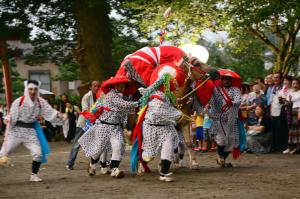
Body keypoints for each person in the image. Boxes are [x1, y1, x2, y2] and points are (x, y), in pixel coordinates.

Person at [0, 80, 62, 182]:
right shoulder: (18, 102)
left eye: (35, 89)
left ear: (38, 90)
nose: (33, 91)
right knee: (2, 154)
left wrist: (60, 115)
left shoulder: (41, 102)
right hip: (16, 131)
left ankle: (34, 175)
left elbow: (50, 112)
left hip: (30, 132)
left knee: (38, 153)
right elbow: (12, 117)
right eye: (30, 89)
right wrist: (8, 120)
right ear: (26, 89)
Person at [133, 63, 185, 182]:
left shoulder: (167, 95)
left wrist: (178, 101)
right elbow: (160, 111)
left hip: (166, 127)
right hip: (152, 128)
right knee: (149, 154)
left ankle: (163, 174)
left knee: (168, 147)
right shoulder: (156, 96)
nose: (175, 84)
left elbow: (169, 104)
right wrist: (179, 115)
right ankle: (141, 162)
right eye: (172, 82)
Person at [78, 76, 137, 178]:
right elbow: (124, 105)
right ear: (116, 86)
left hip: (116, 128)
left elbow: (126, 112)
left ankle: (114, 169)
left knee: (118, 146)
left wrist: (125, 125)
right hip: (103, 126)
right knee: (98, 149)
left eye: (124, 85)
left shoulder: (123, 97)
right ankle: (92, 164)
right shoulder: (110, 95)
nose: (123, 87)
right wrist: (139, 103)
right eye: (121, 85)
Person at [209, 73, 242, 167]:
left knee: (231, 141)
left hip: (231, 119)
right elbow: (211, 100)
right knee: (221, 139)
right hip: (219, 119)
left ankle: (222, 158)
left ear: (231, 81)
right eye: (225, 79)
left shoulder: (236, 90)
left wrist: (231, 102)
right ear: (221, 80)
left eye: (229, 79)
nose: (227, 81)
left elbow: (238, 100)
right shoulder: (216, 90)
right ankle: (221, 158)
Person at [66, 81, 99, 170]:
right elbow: (85, 111)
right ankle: (70, 163)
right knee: (77, 144)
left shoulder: (99, 97)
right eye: (94, 86)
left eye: (97, 86)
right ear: (90, 87)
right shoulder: (86, 97)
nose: (96, 88)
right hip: (84, 124)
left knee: (96, 142)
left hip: (93, 123)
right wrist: (94, 113)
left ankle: (94, 163)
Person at [283, 79, 300, 154]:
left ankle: (298, 147)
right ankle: (291, 147)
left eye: (296, 83)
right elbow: (287, 103)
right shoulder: (290, 93)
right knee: (292, 130)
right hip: (291, 112)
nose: (295, 85)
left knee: (298, 129)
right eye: (293, 84)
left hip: (299, 111)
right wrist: (286, 102)